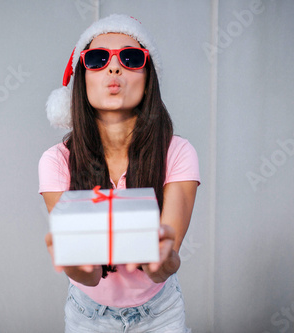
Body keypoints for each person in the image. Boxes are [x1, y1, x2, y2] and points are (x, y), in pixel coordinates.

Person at [39, 14, 200, 333]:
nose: (114, 68)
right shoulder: (56, 161)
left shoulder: (177, 153)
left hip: (160, 313)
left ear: (147, 76)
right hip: (88, 315)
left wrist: (165, 260)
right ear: (82, 78)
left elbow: (163, 267)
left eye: (130, 57)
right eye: (98, 59)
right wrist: (75, 267)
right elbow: (92, 275)